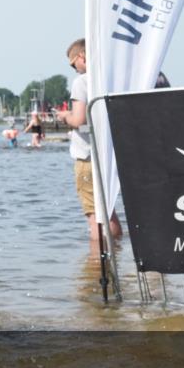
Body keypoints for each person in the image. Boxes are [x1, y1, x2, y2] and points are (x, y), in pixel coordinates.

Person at [56, 39, 123, 253]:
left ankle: (96, 262)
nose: (74, 69)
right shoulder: (112, 78)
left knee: (95, 215)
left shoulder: (82, 82)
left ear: (82, 57)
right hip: (109, 153)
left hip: (87, 156)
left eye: (72, 63)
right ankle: (117, 255)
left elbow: (79, 120)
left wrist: (65, 116)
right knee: (108, 210)